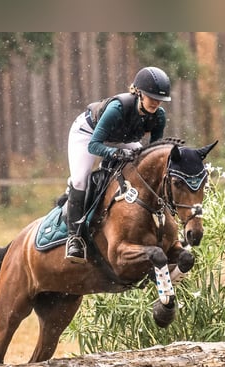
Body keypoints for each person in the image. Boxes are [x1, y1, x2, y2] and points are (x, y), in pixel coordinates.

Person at [64, 66, 171, 263]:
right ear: (138, 92)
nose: (156, 102)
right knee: (80, 181)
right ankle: (75, 237)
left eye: (160, 99)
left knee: (142, 168)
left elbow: (155, 151)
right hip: (88, 133)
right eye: (151, 96)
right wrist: (115, 153)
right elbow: (95, 145)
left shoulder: (159, 116)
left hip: (122, 137)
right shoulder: (117, 108)